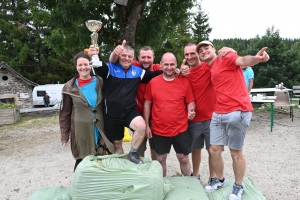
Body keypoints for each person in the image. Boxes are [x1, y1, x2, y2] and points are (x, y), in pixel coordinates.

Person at [196, 41, 269, 200]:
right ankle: (220, 180)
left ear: (214, 49)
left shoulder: (226, 57)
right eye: (200, 50)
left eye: (206, 47)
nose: (203, 51)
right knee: (214, 150)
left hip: (238, 111)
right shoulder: (209, 66)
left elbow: (243, 61)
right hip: (218, 112)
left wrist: (257, 58)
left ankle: (238, 186)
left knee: (235, 153)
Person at [88, 43, 162, 164]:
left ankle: (133, 153)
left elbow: (155, 75)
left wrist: (174, 71)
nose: (126, 58)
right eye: (124, 55)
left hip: (129, 111)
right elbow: (99, 66)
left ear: (133, 59)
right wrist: (95, 54)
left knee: (141, 126)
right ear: (119, 56)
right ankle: (121, 167)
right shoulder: (110, 68)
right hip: (112, 114)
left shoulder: (138, 72)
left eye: (130, 56)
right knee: (117, 144)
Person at [182, 43, 236, 181]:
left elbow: (229, 60)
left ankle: (213, 178)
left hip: (213, 117)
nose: (190, 56)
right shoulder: (184, 73)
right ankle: (196, 175)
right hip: (193, 119)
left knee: (213, 151)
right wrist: (179, 72)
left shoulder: (209, 66)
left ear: (199, 54)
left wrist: (230, 49)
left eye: (193, 53)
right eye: (186, 54)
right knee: (195, 149)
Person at [59, 52, 114, 171]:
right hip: (81, 130)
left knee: (103, 161)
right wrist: (65, 135)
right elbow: (65, 113)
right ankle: (83, 186)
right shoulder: (69, 87)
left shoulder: (100, 81)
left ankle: (102, 186)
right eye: (80, 65)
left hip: (100, 128)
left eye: (86, 64)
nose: (83, 67)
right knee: (83, 161)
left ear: (91, 65)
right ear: (76, 67)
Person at [144, 52, 195, 177]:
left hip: (180, 128)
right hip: (159, 129)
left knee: (183, 158)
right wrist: (147, 125)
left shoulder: (184, 81)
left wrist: (191, 110)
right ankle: (162, 184)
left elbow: (190, 101)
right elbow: (147, 104)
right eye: (166, 64)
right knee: (160, 158)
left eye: (172, 64)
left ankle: (188, 184)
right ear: (160, 65)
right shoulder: (153, 82)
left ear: (176, 64)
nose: (169, 67)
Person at [109, 41, 160, 160]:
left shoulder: (159, 68)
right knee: (139, 149)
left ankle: (153, 172)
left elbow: (169, 71)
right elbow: (114, 61)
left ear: (153, 58)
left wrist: (177, 71)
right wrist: (115, 53)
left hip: (155, 117)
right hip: (136, 114)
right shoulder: (133, 66)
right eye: (143, 57)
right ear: (138, 58)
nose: (146, 60)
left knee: (155, 149)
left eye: (149, 57)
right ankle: (139, 170)